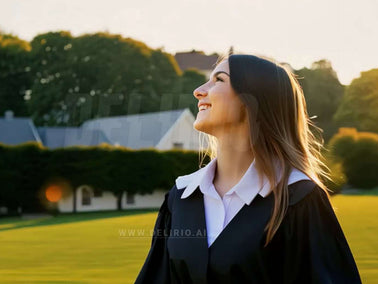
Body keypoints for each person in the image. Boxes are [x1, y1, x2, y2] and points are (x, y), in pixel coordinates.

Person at [134, 54, 362, 283]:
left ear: (252, 100)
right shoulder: (181, 197)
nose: (199, 91)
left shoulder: (299, 199)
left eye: (219, 80)